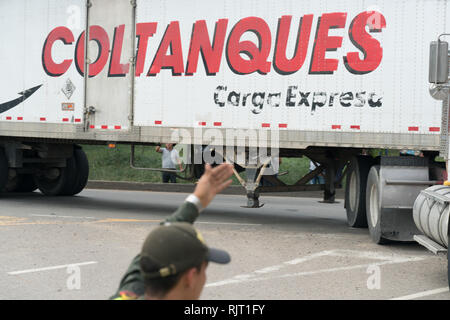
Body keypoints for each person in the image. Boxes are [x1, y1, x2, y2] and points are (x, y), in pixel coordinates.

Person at [110, 163, 234, 300]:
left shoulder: (126, 296)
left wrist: (197, 200)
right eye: (204, 271)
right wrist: (197, 200)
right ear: (190, 278)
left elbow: (155, 250)